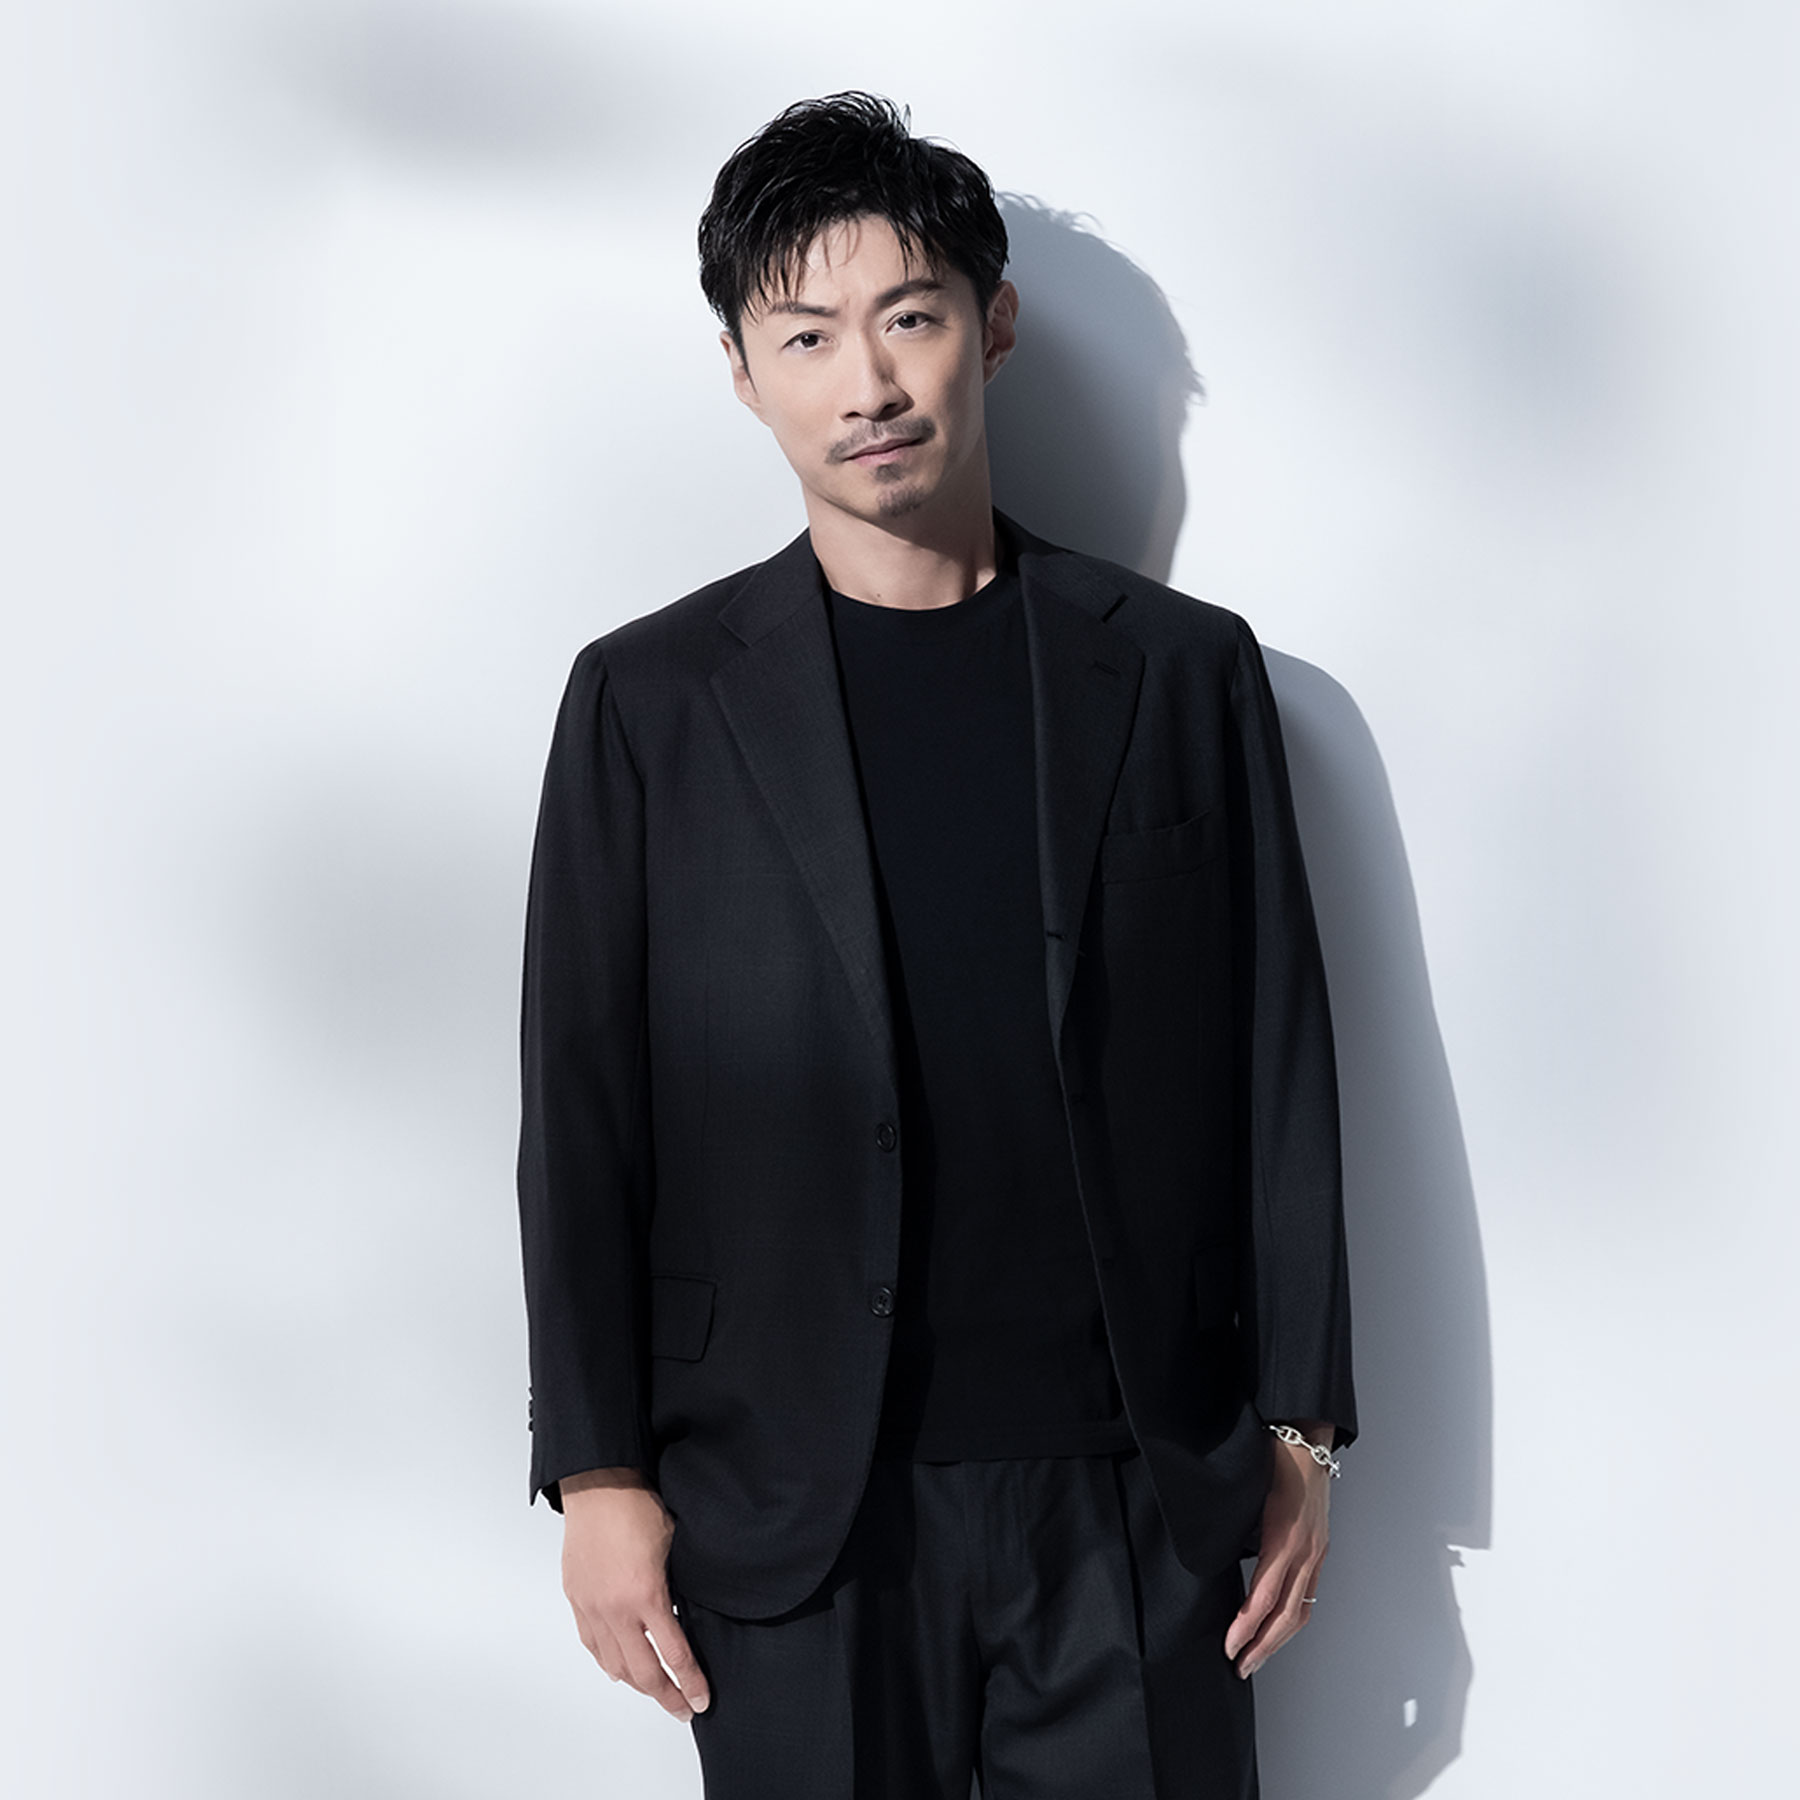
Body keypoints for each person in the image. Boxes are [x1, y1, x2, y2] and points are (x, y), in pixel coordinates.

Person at [517, 91, 1356, 1799]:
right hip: (794, 1510)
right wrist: (596, 1472)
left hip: (1134, 1497)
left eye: (909, 318)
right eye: (806, 337)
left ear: (996, 324)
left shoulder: (1181, 674)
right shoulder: (650, 703)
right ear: (742, 375)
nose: (868, 384)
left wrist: (1301, 1423)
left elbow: (1276, 1057)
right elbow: (581, 1106)